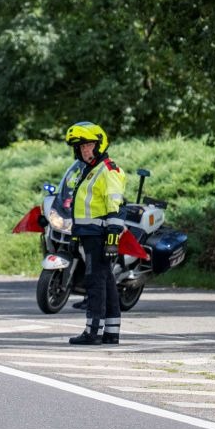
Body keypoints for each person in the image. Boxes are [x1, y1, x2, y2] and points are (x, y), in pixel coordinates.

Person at [62, 122, 126, 345]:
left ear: (99, 145)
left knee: (95, 282)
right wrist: (75, 235)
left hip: (100, 236)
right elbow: (83, 207)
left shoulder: (107, 170)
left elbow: (115, 207)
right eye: (80, 147)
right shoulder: (88, 171)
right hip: (88, 234)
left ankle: (93, 332)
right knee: (106, 281)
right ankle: (110, 332)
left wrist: (112, 239)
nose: (84, 150)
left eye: (88, 145)